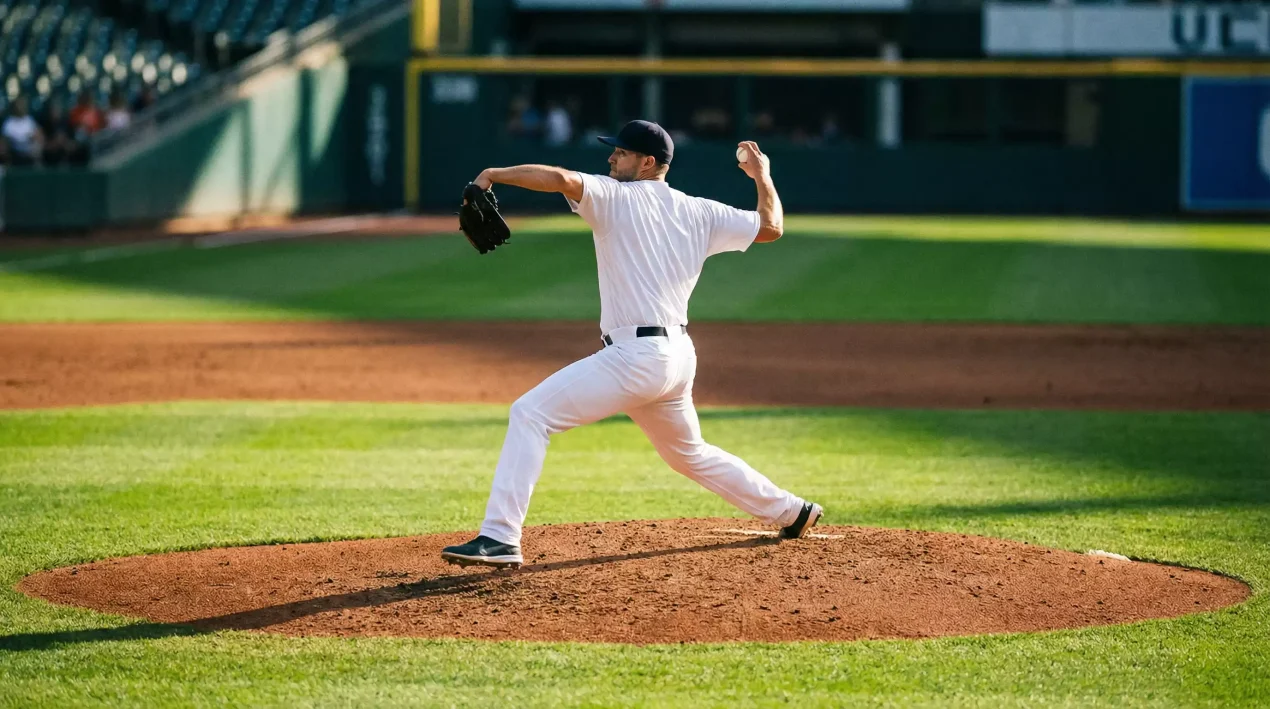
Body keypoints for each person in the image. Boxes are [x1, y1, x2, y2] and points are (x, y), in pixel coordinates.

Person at [440, 120, 823, 568]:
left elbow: (560, 179)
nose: (610, 158)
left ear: (647, 162)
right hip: (677, 358)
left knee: (530, 414)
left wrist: (493, 173)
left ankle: (500, 537)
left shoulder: (613, 196)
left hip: (636, 359)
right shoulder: (699, 211)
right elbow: (771, 226)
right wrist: (763, 176)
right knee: (688, 453)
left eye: (620, 153)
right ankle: (792, 511)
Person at [39, 96, 80, 165]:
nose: (55, 112)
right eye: (53, 109)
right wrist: (55, 143)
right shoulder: (44, 124)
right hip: (49, 154)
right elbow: (42, 144)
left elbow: (73, 143)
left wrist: (64, 142)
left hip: (65, 151)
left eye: (57, 109)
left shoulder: (66, 123)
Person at [2, 97, 43, 166]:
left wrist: (34, 137)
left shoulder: (29, 120)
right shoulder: (9, 122)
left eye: (22, 105)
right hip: (14, 149)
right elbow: (5, 139)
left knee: (37, 145)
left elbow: (38, 135)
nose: (21, 107)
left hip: (28, 149)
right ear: (14, 107)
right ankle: (7, 168)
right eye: (19, 105)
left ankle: (38, 169)